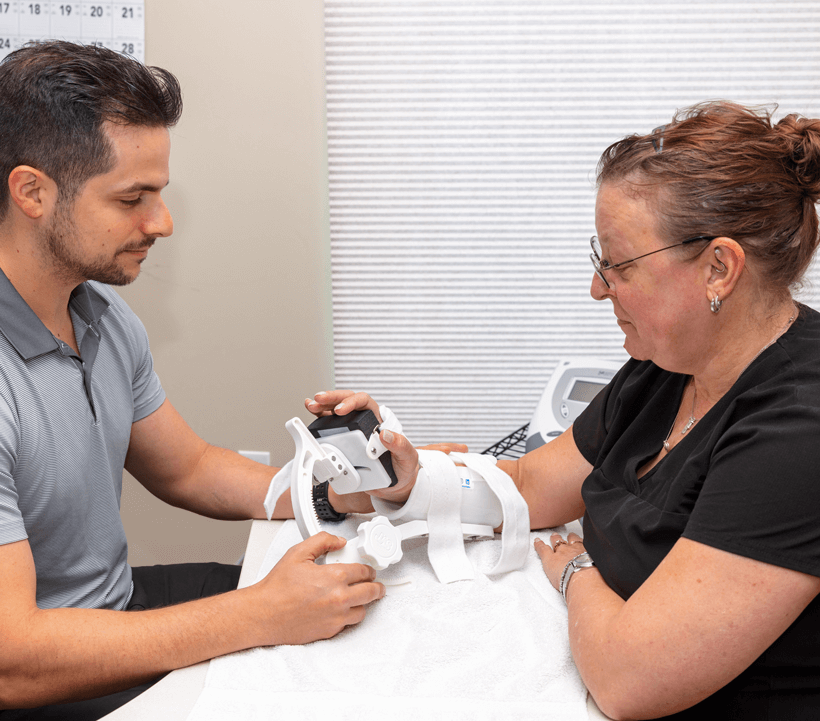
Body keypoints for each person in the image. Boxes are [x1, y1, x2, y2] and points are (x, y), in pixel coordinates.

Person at [314, 101, 820, 719]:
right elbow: (532, 484)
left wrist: (574, 570)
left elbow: (630, 680)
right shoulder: (668, 367)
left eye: (619, 265)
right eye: (598, 260)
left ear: (719, 268)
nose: (597, 288)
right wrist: (412, 477)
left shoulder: (798, 434)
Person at [0, 41, 388, 719]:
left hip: (114, 609)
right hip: (43, 673)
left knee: (360, 616)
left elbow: (188, 468)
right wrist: (256, 615)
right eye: (132, 198)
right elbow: (13, 658)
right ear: (32, 191)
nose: (162, 223)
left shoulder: (98, 313)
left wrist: (340, 493)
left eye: (160, 193)